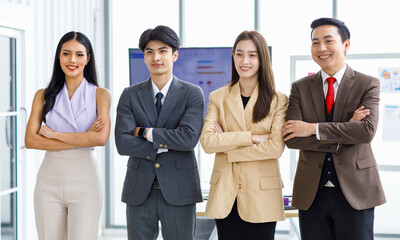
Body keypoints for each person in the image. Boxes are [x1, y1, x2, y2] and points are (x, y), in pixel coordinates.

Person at [283, 17, 386, 240]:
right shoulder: (299, 88)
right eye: (315, 42)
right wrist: (348, 128)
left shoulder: (367, 84)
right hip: (312, 191)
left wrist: (312, 128)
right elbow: (291, 138)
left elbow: (366, 131)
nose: (321, 48)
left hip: (356, 190)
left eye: (328, 41)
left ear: (346, 45)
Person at [115, 25, 204, 240]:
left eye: (163, 51)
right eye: (149, 51)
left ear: (174, 55)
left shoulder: (192, 94)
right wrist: (168, 142)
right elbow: (123, 143)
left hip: (180, 189)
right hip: (139, 190)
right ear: (144, 57)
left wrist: (146, 133)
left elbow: (188, 139)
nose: (156, 57)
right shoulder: (130, 95)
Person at [200, 31, 288, 240]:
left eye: (252, 55)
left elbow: (275, 147)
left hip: (262, 196)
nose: (244, 61)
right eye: (239, 54)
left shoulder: (279, 100)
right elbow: (207, 142)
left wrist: (228, 147)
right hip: (225, 195)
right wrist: (253, 137)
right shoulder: (218, 97)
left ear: (262, 59)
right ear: (233, 57)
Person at [25, 31, 111, 240]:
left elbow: (100, 139)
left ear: (88, 58)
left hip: (85, 180)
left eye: (79, 55)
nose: (72, 60)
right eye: (66, 54)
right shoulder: (43, 95)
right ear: (59, 57)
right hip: (49, 180)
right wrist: (82, 138)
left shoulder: (100, 94)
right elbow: (31, 141)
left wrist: (52, 135)